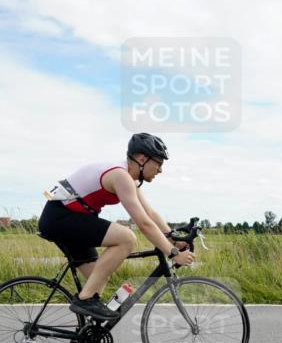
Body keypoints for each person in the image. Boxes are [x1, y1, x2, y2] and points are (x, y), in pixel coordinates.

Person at [38, 133, 195, 320]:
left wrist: (172, 236)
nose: (160, 169)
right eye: (159, 163)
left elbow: (150, 214)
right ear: (142, 159)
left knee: (100, 275)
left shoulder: (129, 178)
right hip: (60, 217)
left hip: (72, 218)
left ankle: (88, 340)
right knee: (126, 238)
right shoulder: (120, 176)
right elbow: (143, 223)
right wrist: (173, 253)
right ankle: (84, 299)